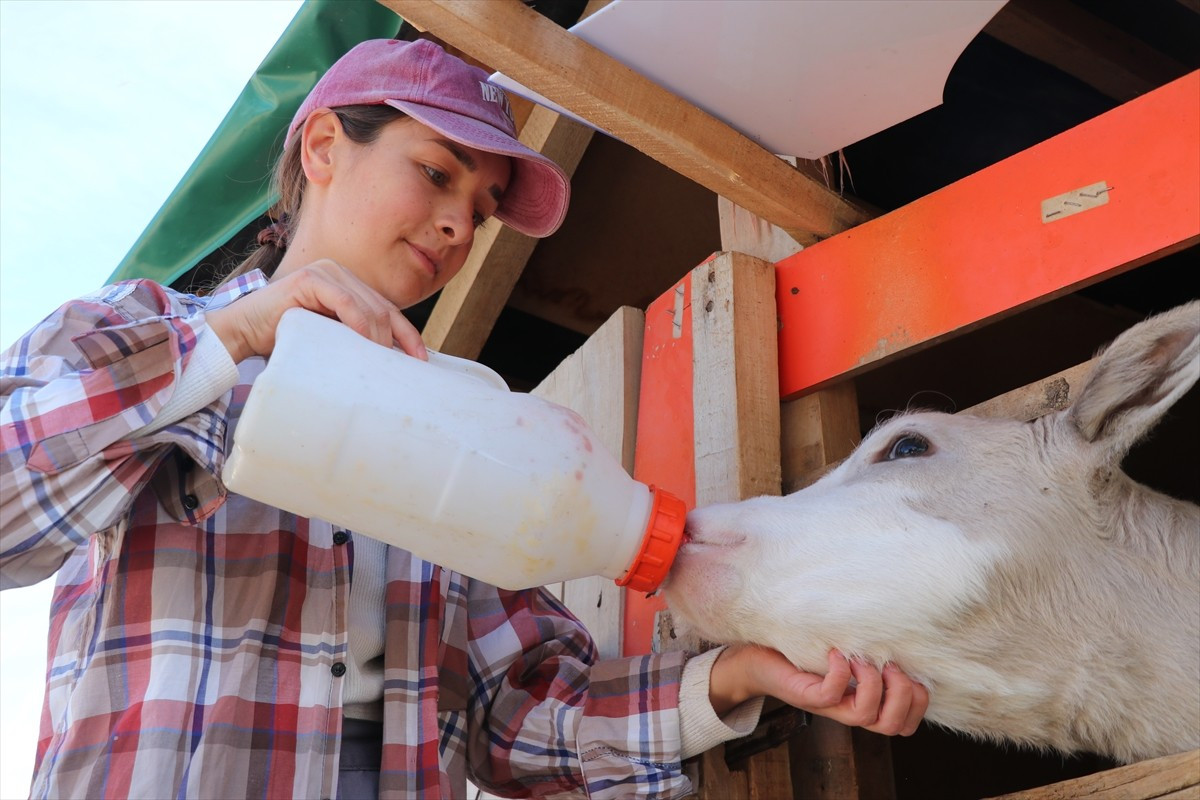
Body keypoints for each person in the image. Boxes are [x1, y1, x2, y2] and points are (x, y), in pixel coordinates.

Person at [0, 39, 928, 799]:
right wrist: (234, 338)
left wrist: (742, 676)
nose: (456, 225)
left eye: (480, 210)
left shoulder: (470, 432)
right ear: (323, 148)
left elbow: (515, 717)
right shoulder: (131, 333)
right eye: (435, 173)